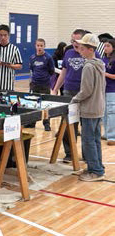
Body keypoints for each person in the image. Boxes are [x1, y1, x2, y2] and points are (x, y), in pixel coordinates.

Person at [71, 33, 105, 181]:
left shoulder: (88, 67)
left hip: (90, 109)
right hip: (98, 108)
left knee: (89, 140)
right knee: (95, 139)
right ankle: (97, 167)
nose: (80, 50)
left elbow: (86, 90)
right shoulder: (100, 64)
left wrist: (74, 99)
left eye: (83, 48)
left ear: (91, 49)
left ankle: (95, 171)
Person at [51, 29, 86, 163]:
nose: (74, 43)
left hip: (85, 94)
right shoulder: (68, 52)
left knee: (85, 125)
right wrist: (55, 89)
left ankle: (87, 155)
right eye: (72, 40)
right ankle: (69, 153)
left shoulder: (90, 54)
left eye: (77, 41)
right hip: (68, 92)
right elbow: (64, 72)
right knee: (68, 123)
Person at [28, 38, 55, 131]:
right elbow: (32, 70)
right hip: (35, 84)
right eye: (38, 45)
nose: (39, 47)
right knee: (33, 104)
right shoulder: (32, 58)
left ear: (44, 46)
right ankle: (32, 122)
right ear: (35, 46)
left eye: (41, 46)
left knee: (45, 105)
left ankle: (46, 123)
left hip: (45, 85)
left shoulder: (48, 57)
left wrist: (46, 79)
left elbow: (52, 71)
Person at [0, 24, 22, 91]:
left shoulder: (14, 49)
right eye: (1, 35)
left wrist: (10, 65)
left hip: (8, 85)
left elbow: (20, 66)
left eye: (5, 35)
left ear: (8, 35)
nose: (3, 37)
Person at [102, 39, 115, 145]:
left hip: (112, 90)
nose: (105, 48)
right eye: (104, 46)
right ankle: (106, 133)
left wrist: (104, 74)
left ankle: (112, 136)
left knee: (111, 112)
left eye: (108, 46)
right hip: (103, 89)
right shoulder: (103, 59)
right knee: (104, 113)